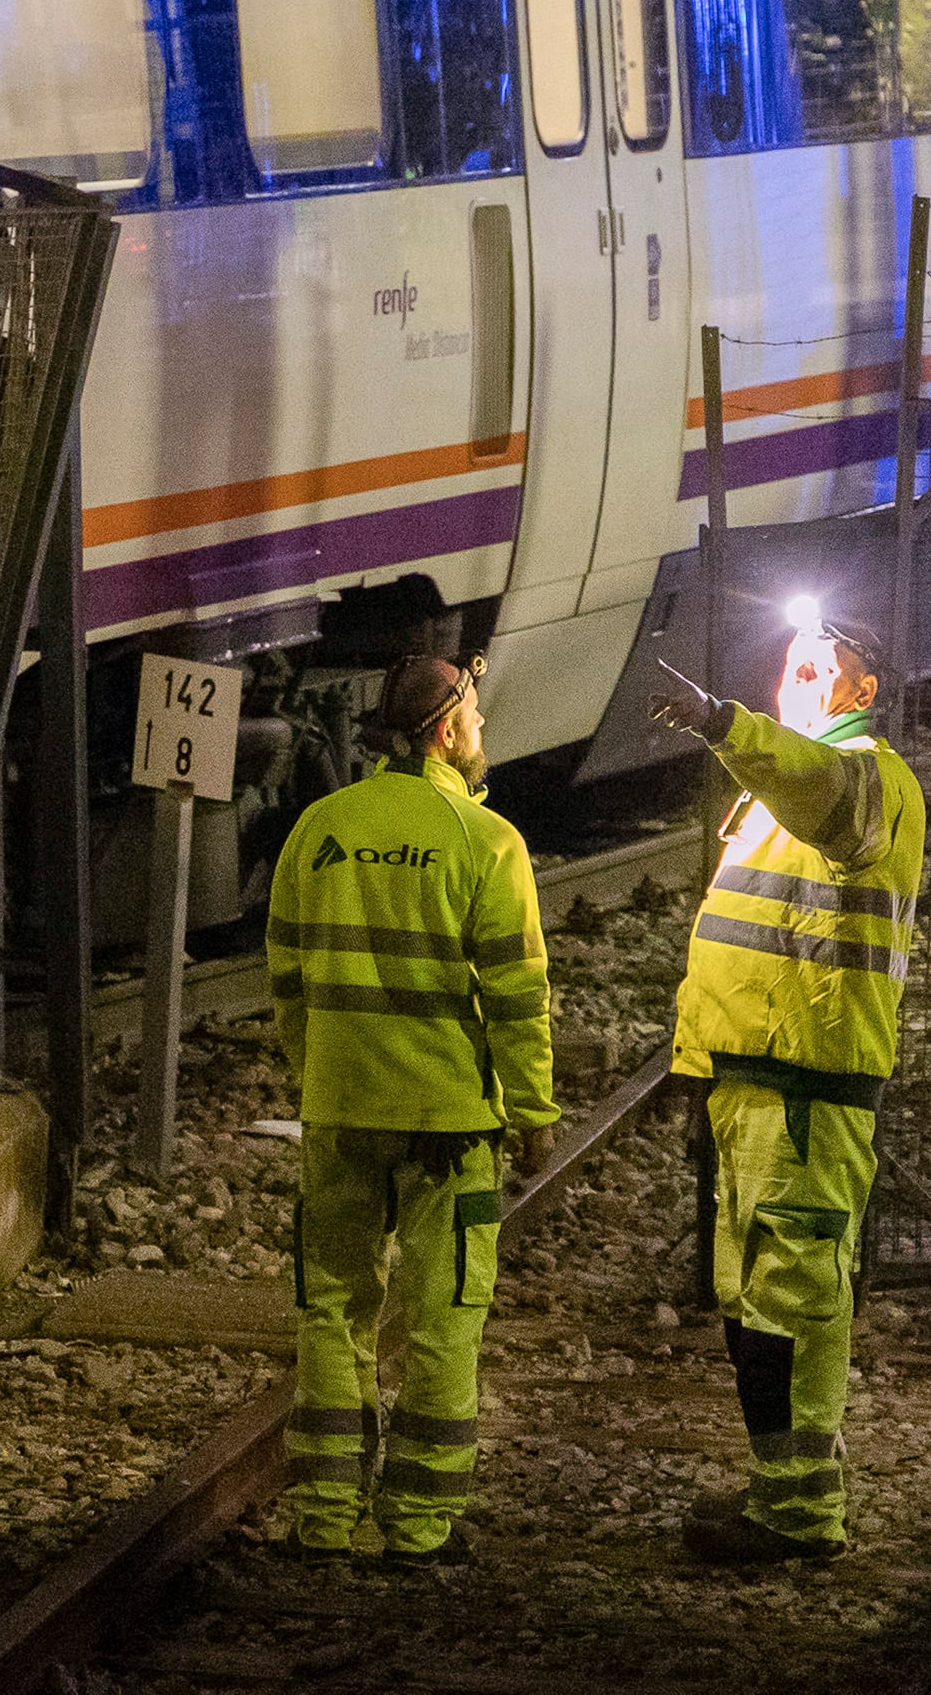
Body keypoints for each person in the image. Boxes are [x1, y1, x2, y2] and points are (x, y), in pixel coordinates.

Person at [265, 654, 556, 1566]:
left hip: (340, 1110)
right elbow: (517, 996)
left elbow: (284, 978)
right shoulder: (486, 841)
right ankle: (419, 1526)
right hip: (448, 1123)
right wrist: (534, 1111)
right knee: (441, 1320)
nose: (480, 735)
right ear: (446, 728)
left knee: (330, 1311)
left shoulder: (319, 828)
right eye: (474, 718)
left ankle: (322, 1517)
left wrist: (321, 1074)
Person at [650, 607, 926, 1567]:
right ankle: (781, 1494)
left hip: (805, 1092)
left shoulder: (863, 780)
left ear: (862, 691)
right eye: (791, 662)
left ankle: (804, 1513)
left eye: (823, 665)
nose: (799, 675)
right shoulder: (786, 786)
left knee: (798, 1302)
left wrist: (722, 725)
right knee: (756, 1302)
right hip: (755, 1082)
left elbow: (818, 789)